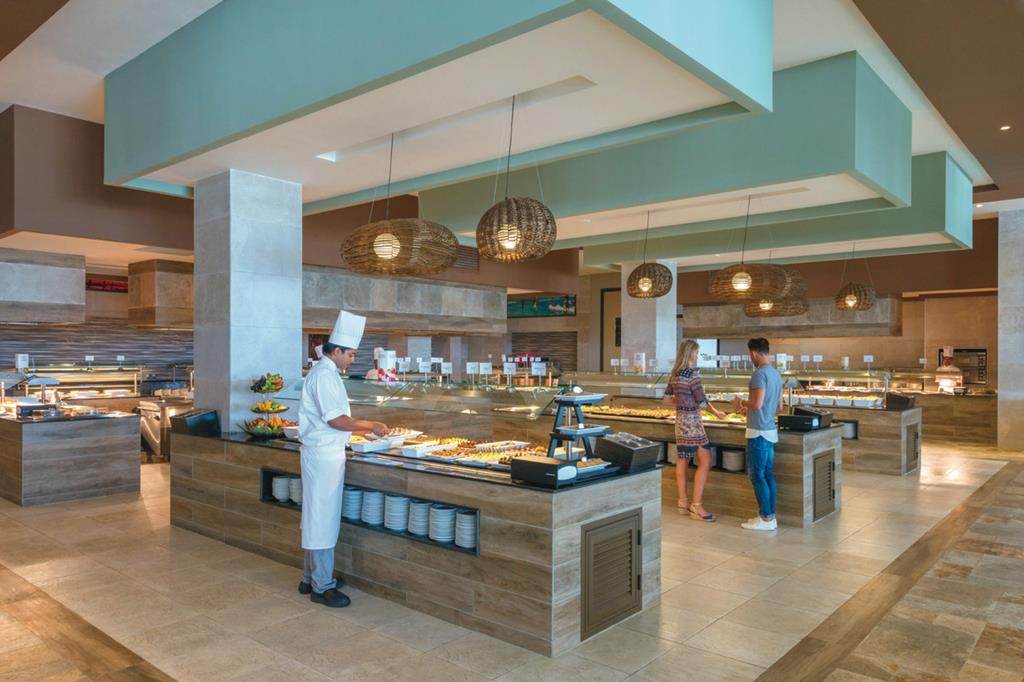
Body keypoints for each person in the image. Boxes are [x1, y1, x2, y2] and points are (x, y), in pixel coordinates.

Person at [298, 311, 388, 607]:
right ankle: (322, 586)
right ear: (336, 351)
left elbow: (336, 422)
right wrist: (371, 425)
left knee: (316, 517)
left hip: (324, 453)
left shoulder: (326, 373)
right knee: (321, 519)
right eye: (350, 354)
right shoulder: (324, 375)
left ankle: (310, 577)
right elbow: (336, 420)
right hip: (323, 456)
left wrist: (362, 431)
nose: (352, 359)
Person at [663, 339, 726, 521]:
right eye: (697, 353)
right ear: (690, 353)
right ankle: (696, 506)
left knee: (682, 460)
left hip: (680, 422)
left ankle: (683, 501)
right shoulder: (692, 376)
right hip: (693, 423)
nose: (697, 356)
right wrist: (717, 413)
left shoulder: (675, 375)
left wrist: (682, 400)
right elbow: (703, 402)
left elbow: (666, 399)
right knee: (706, 460)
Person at [731, 337, 784, 531]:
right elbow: (779, 406)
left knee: (757, 476)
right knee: (768, 474)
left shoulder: (759, 374)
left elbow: (757, 403)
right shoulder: (776, 374)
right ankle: (770, 516)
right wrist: (751, 410)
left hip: (758, 432)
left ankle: (766, 519)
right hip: (770, 429)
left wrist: (740, 403)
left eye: (750, 354)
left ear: (753, 353)